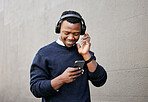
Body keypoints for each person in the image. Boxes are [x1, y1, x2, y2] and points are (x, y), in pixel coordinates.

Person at [30, 10, 107, 102]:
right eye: (66, 33)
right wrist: (61, 79)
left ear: (81, 32)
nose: (71, 38)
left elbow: (100, 81)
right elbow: (35, 88)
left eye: (76, 34)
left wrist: (86, 55)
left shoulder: (85, 53)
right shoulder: (44, 53)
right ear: (59, 29)